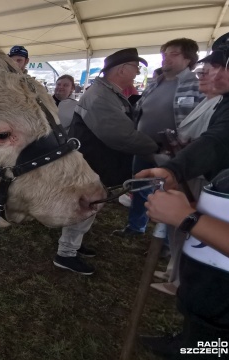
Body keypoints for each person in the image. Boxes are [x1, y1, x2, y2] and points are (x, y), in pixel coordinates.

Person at [136, 31, 229, 359]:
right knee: (208, 306)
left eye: (226, 66)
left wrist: (188, 218)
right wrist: (175, 170)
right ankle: (189, 341)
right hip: (215, 268)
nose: (215, 75)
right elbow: (219, 140)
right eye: (214, 65)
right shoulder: (227, 105)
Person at [52, 48, 158, 275]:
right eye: (134, 67)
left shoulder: (106, 92)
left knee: (88, 206)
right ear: (121, 69)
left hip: (95, 161)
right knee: (84, 206)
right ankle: (65, 253)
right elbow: (119, 135)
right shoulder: (100, 96)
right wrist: (156, 147)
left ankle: (72, 246)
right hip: (92, 162)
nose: (137, 72)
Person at [114, 38, 204, 238]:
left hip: (173, 152)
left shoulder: (196, 86)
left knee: (172, 193)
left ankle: (166, 241)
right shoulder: (156, 82)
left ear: (189, 58)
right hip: (144, 146)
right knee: (139, 187)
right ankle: (136, 227)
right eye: (164, 54)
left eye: (174, 54)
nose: (166, 58)